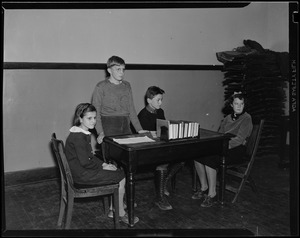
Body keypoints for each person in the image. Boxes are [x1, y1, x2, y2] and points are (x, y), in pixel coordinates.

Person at [65, 103, 139, 225]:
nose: (93, 121)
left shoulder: (80, 133)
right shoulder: (78, 137)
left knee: (114, 170)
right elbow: (85, 162)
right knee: (121, 176)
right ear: (80, 118)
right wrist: (103, 167)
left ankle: (113, 208)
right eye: (89, 118)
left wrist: (104, 165)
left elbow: (90, 157)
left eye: (95, 118)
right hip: (82, 175)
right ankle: (119, 213)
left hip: (81, 171)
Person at [193, 92, 253, 207]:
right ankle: (204, 187)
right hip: (224, 146)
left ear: (244, 105)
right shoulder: (227, 118)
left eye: (241, 103)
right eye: (236, 103)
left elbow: (239, 139)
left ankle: (212, 193)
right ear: (231, 105)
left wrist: (220, 147)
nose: (239, 106)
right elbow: (219, 135)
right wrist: (216, 145)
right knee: (197, 156)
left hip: (237, 149)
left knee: (210, 158)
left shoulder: (247, 118)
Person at [138, 86, 185, 211]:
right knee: (163, 164)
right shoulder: (142, 115)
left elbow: (164, 130)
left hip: (160, 147)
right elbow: (145, 137)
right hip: (147, 151)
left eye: (161, 100)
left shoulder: (160, 112)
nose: (161, 102)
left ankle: (163, 183)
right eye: (158, 100)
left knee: (182, 159)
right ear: (149, 100)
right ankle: (160, 198)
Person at [91, 55, 147, 145]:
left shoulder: (127, 86)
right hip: (108, 127)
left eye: (123, 69)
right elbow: (95, 112)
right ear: (109, 70)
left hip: (126, 126)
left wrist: (139, 129)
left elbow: (131, 109)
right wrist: (100, 132)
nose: (121, 72)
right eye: (118, 69)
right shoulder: (101, 86)